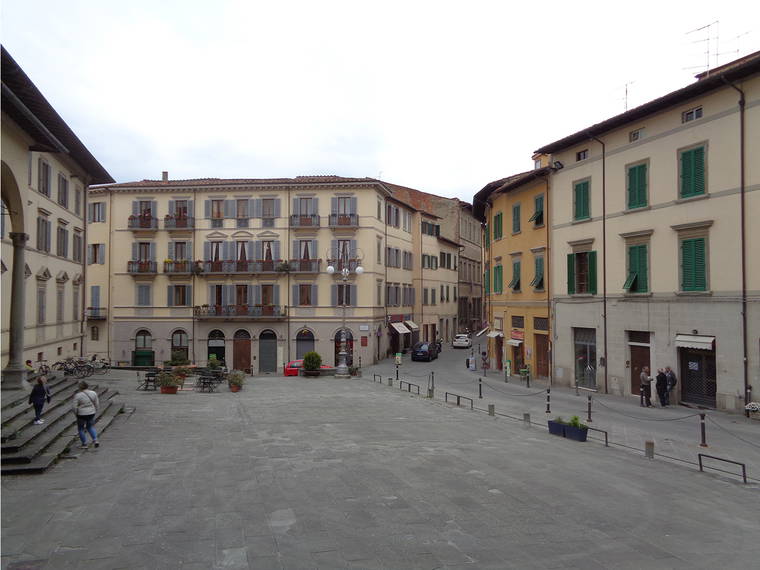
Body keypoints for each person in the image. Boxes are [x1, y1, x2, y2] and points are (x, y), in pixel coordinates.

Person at [73, 381, 100, 449]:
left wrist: (76, 413)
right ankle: (95, 440)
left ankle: (84, 444)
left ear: (80, 387)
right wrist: (95, 410)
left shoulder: (78, 395)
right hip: (91, 412)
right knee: (90, 426)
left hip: (81, 414)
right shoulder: (93, 393)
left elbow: (74, 407)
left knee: (81, 428)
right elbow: (96, 403)